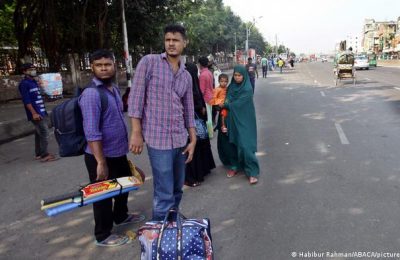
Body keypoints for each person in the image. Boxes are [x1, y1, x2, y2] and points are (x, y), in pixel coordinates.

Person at [128, 24, 196, 221]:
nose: (171, 44)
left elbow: (189, 109)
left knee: (177, 187)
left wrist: (192, 139)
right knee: (164, 189)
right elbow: (136, 98)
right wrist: (136, 132)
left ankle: (173, 219)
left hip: (180, 139)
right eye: (168, 40)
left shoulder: (186, 74)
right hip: (158, 139)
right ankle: (160, 228)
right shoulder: (149, 63)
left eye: (175, 40)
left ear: (184, 43)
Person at [79, 49, 145, 247]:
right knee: (103, 196)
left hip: (117, 153)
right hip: (100, 156)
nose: (104, 69)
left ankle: (121, 216)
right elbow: (92, 132)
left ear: (114, 65)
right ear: (92, 68)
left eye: (107, 65)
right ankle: (103, 234)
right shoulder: (91, 94)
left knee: (124, 185)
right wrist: (100, 162)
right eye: (99, 66)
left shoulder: (113, 89)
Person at [217, 65, 260, 185]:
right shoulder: (231, 87)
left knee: (246, 146)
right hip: (230, 120)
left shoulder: (247, 89)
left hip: (244, 120)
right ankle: (235, 166)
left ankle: (252, 172)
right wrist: (220, 102)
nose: (237, 78)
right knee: (230, 144)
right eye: (235, 75)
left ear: (244, 76)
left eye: (239, 75)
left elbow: (238, 104)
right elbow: (226, 98)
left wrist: (225, 105)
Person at [184, 62, 216, 187]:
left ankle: (194, 176)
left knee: (193, 147)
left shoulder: (187, 84)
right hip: (200, 116)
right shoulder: (199, 79)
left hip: (192, 120)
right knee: (200, 144)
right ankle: (204, 169)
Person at [18, 63, 57, 162]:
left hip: (41, 111)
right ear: (24, 71)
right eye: (31, 69)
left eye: (34, 69)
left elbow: (38, 96)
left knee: (38, 133)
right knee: (44, 132)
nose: (33, 70)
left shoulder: (34, 82)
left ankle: (39, 153)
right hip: (35, 113)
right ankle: (44, 155)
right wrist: (34, 113)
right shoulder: (24, 84)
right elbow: (27, 101)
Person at [198, 56, 215, 133]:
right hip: (210, 97)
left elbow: (202, 90)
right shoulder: (209, 72)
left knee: (207, 117)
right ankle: (210, 132)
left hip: (205, 98)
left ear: (200, 64)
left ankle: (209, 133)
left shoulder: (202, 75)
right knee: (210, 116)